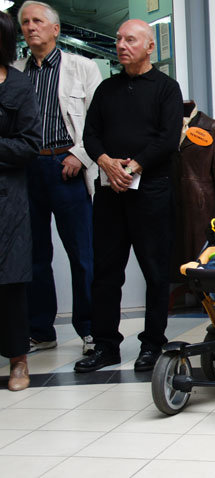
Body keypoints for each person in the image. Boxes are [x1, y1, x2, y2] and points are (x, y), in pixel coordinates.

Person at [74, 19, 183, 373]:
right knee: (105, 271)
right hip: (110, 193)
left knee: (155, 271)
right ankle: (105, 344)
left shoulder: (167, 88)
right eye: (119, 39)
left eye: (130, 39)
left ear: (149, 46)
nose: (121, 45)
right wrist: (106, 163)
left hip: (151, 191)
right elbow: (90, 136)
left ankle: (152, 344)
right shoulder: (107, 89)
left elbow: (168, 139)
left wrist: (132, 167)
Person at [15, 1, 102, 355]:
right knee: (34, 255)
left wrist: (79, 156)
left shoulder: (83, 67)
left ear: (55, 29)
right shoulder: (15, 72)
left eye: (37, 21)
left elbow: (98, 121)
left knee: (83, 254)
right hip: (27, 170)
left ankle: (91, 328)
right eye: (24, 22)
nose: (30, 27)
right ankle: (41, 329)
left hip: (67, 168)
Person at [0, 10, 42, 391]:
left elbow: (30, 144)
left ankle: (18, 361)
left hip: (7, 198)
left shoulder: (17, 85)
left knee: (11, 280)